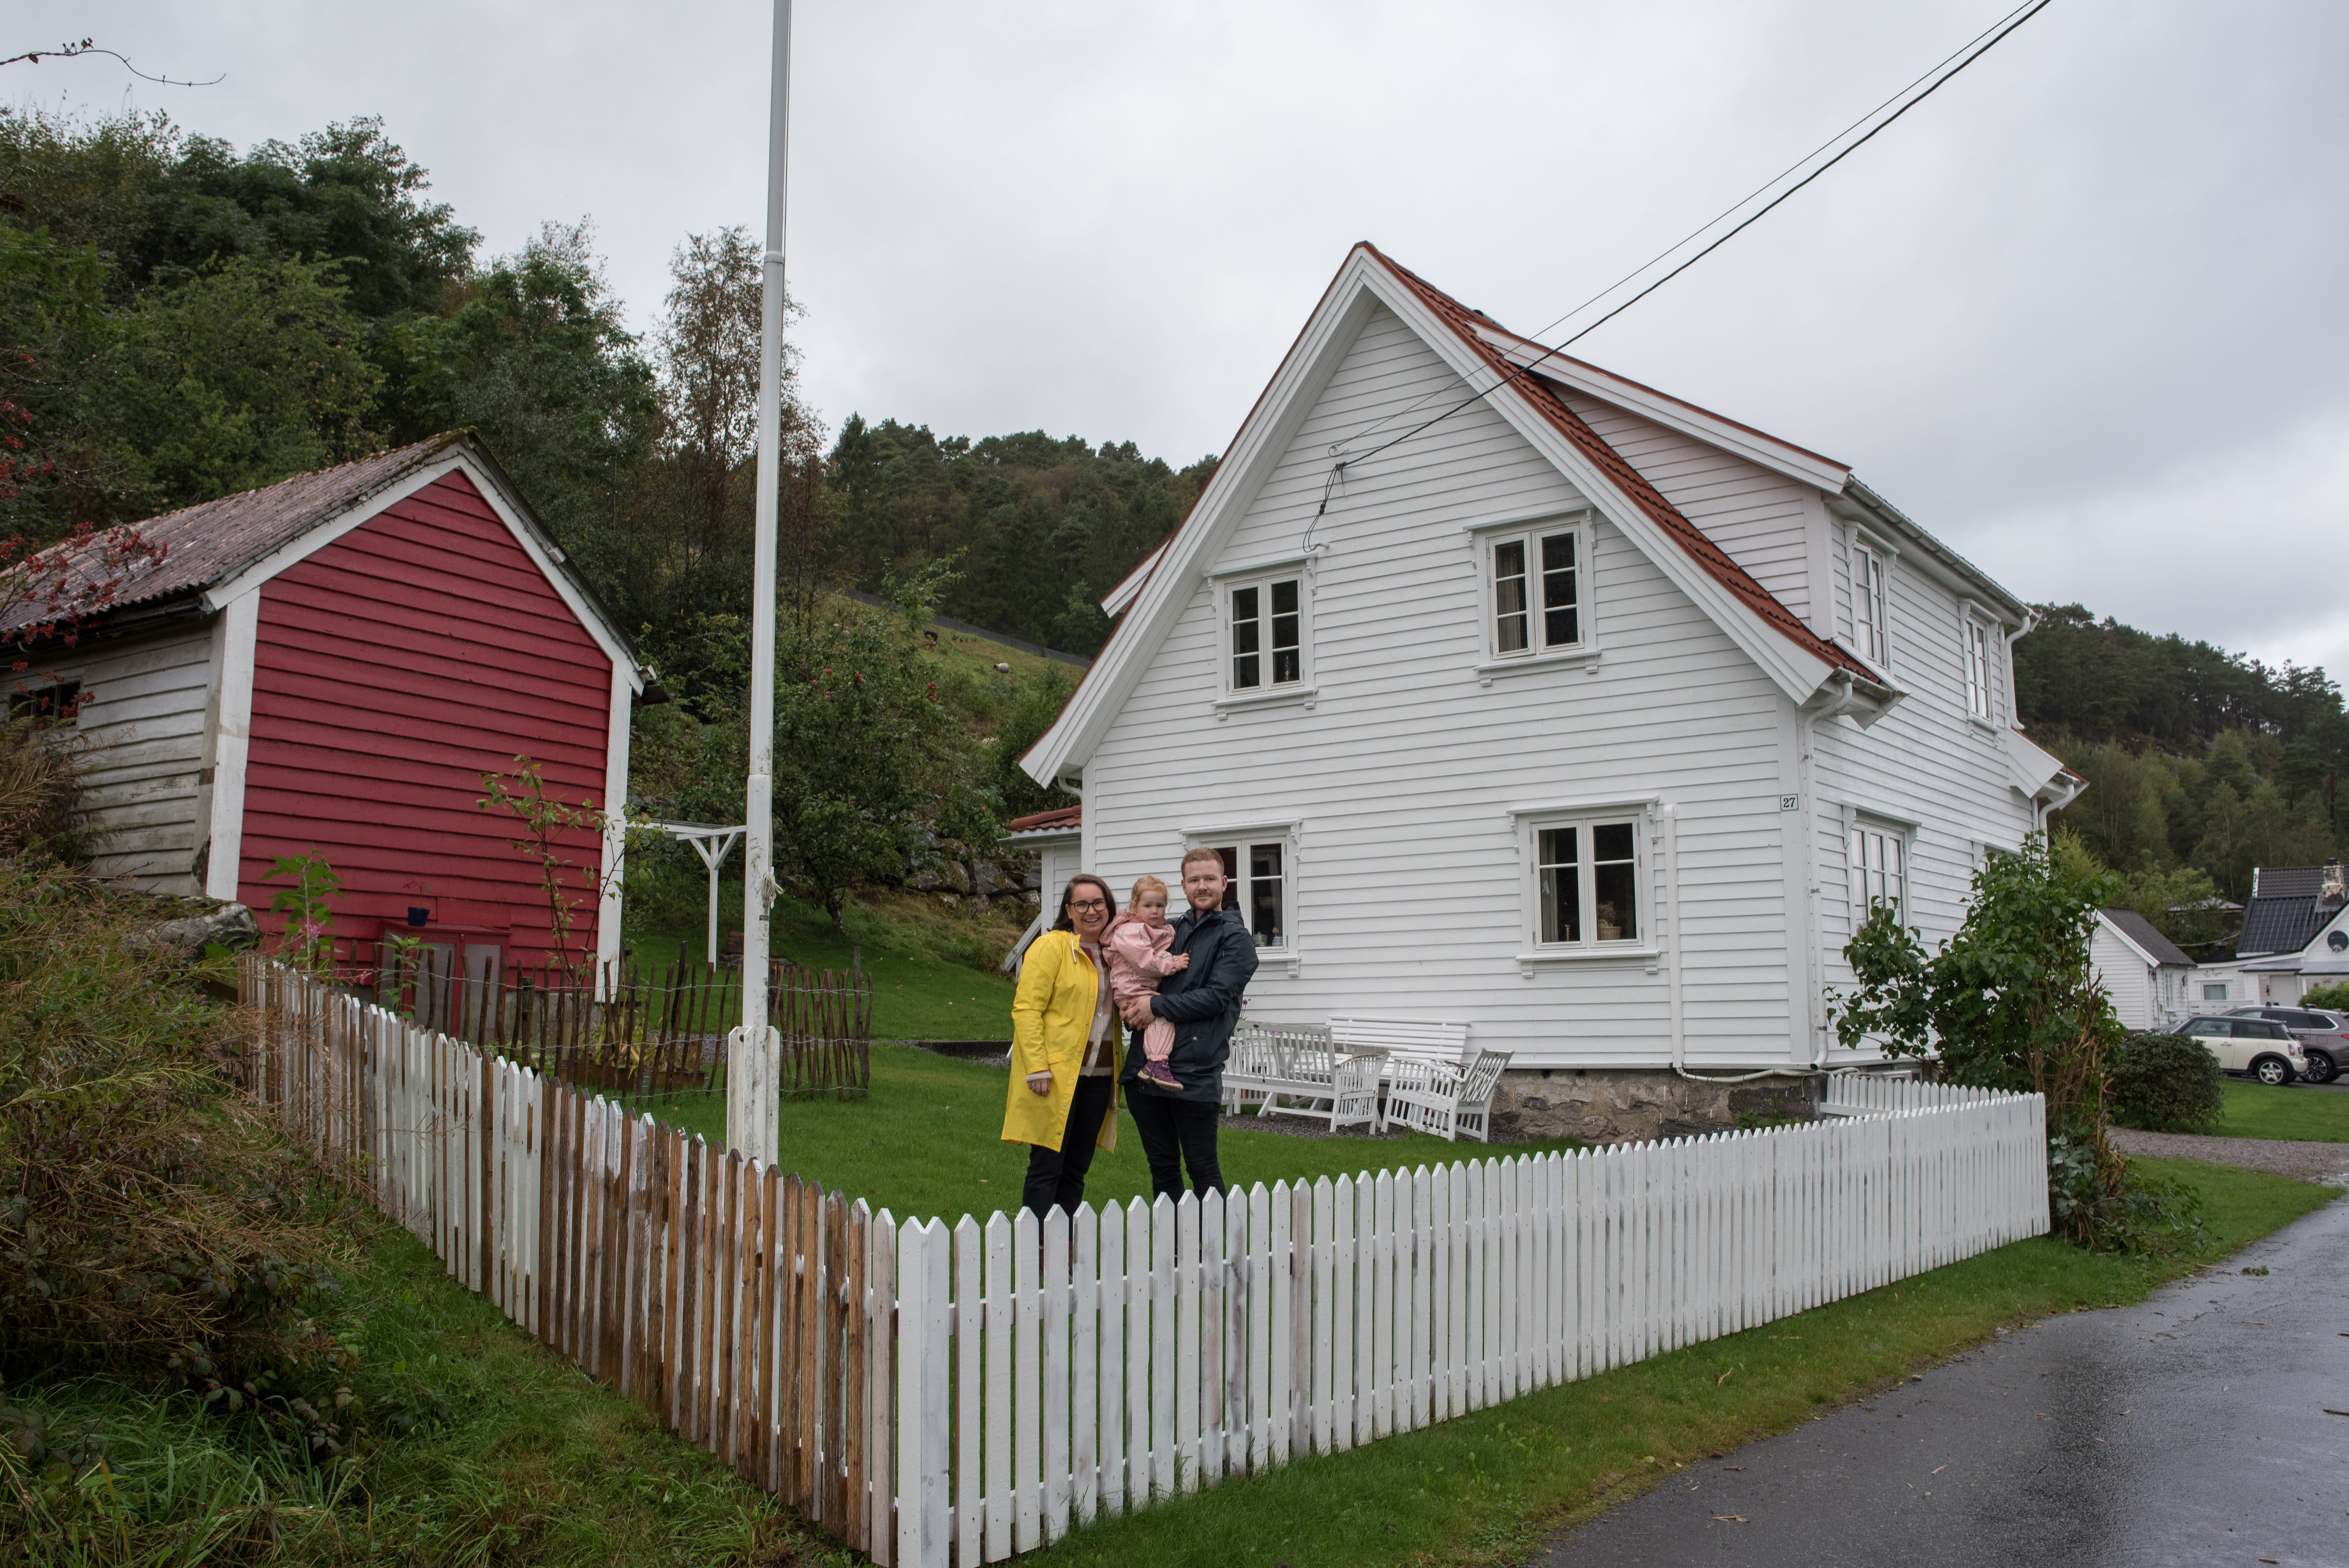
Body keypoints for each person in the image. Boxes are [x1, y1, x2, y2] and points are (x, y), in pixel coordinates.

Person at [1118, 847, 1258, 1201]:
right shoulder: (1171, 930)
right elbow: (1144, 975)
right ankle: (1175, 1239)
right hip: (1143, 1072)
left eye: (1210, 878)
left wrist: (1155, 1006)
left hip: (1194, 1075)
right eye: (1194, 880)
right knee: (1163, 1168)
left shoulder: (1235, 938)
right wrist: (1133, 1007)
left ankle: (1214, 1239)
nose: (1202, 886)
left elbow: (1216, 998)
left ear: (1224, 883)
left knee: (1202, 1169)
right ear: (1183, 886)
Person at [1002, 873, 1123, 1220]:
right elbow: (1027, 1010)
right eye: (1081, 904)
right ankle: (1038, 1242)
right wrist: (1037, 1067)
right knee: (1047, 1166)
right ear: (1068, 911)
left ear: (1109, 907)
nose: (1091, 911)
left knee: (1077, 1168)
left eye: (1098, 903)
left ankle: (1064, 1240)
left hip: (1100, 1077)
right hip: (1055, 1076)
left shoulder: (1116, 954)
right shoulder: (1052, 947)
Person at [1104, 875, 1191, 1091]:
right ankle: (1157, 1063)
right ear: (1135, 906)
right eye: (1148, 906)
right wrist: (1174, 963)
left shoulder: (1155, 929)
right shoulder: (1130, 931)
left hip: (1139, 988)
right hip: (1131, 989)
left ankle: (1155, 1063)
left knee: (1158, 1017)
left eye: (1160, 906)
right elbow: (1145, 961)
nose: (1155, 911)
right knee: (1164, 1014)